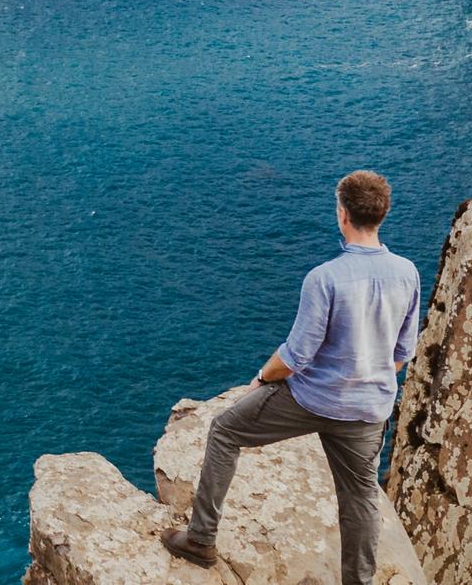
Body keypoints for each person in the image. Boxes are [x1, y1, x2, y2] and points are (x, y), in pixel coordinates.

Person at [163, 170, 423, 583]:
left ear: (342, 214)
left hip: (311, 400)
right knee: (360, 498)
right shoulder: (407, 273)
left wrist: (263, 377)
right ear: (382, 214)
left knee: (225, 431)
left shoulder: (324, 278)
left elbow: (296, 356)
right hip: (368, 410)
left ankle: (201, 539)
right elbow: (401, 354)